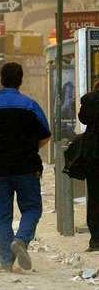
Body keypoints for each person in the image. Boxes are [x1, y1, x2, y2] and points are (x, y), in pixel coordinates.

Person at [0, 62, 51, 272]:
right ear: (20, 79)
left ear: (1, 79)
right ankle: (22, 240)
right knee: (32, 208)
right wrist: (30, 148)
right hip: (26, 167)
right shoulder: (30, 106)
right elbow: (45, 135)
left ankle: (6, 262)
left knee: (2, 215)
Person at [78, 82, 99, 251]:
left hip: (94, 155)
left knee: (94, 197)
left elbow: (83, 118)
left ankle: (96, 240)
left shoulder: (90, 99)